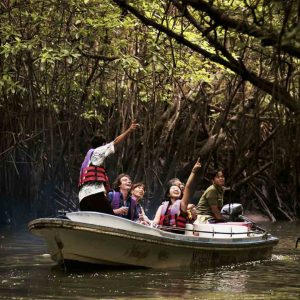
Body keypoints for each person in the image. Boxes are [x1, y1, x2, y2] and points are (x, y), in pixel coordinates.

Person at [78, 121, 139, 213]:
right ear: (103, 144)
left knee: (92, 217)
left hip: (82, 197)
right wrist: (129, 130)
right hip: (94, 193)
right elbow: (115, 141)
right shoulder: (99, 151)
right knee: (108, 215)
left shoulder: (87, 159)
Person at [153, 158, 202, 232]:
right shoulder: (162, 207)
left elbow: (188, 187)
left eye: (178, 189)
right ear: (168, 194)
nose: (176, 189)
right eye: (173, 188)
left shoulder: (182, 204)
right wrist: (154, 225)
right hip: (162, 233)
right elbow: (155, 222)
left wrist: (193, 172)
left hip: (176, 235)